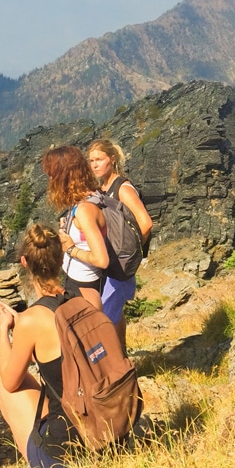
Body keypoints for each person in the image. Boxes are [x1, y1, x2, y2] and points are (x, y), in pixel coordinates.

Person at [0, 222, 77, 468]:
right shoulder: (83, 300)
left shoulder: (32, 320)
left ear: (24, 262)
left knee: (0, 372)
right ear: (61, 258)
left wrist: (5, 330)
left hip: (66, 456)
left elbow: (10, 381)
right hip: (105, 431)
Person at [88, 139, 154, 347]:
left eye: (99, 159)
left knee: (106, 314)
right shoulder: (102, 188)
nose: (95, 165)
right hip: (108, 263)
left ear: (112, 159)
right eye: (91, 161)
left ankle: (115, 362)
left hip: (119, 265)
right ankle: (121, 355)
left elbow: (145, 223)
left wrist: (131, 253)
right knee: (114, 313)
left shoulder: (123, 188)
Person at [44, 145, 108, 310]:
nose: (50, 180)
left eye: (53, 175)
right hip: (76, 279)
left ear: (65, 176)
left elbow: (101, 260)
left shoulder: (85, 209)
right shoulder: (85, 199)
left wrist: (70, 248)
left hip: (84, 284)